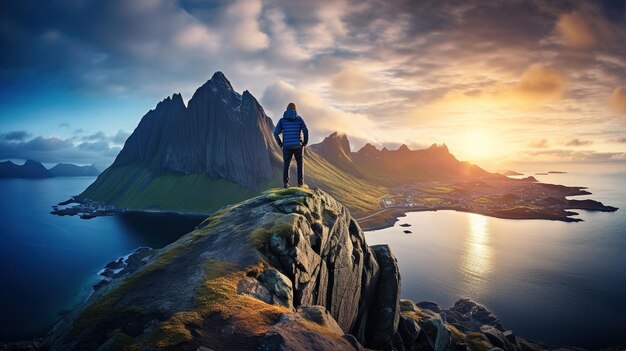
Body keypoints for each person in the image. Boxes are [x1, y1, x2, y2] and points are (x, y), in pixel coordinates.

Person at [273, 102, 309, 188]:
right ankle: (300, 184)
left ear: (287, 109)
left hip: (287, 147)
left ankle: (286, 184)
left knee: (286, 165)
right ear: (295, 109)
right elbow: (305, 130)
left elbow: (275, 133)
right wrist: (304, 143)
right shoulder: (299, 119)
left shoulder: (282, 120)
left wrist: (280, 143)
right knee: (300, 165)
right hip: (298, 146)